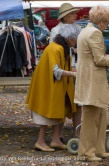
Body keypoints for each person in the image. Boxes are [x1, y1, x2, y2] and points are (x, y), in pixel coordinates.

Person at [25, 24, 80, 152]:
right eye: (75, 39)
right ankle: (40, 142)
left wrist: (76, 70)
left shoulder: (62, 48)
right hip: (46, 86)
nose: (76, 42)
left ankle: (55, 140)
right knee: (45, 113)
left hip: (54, 86)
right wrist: (73, 73)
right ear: (70, 38)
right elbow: (56, 71)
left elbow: (62, 68)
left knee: (57, 111)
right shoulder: (56, 49)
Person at [74, 5, 109, 162]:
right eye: (107, 22)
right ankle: (86, 152)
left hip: (88, 79)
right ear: (102, 21)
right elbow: (100, 59)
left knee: (100, 115)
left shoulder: (85, 31)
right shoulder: (95, 33)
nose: (107, 25)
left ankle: (98, 148)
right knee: (91, 118)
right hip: (92, 81)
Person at [49, 3, 82, 142]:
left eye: (75, 13)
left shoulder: (78, 28)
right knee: (62, 102)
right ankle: (59, 135)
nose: (76, 16)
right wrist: (74, 50)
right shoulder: (55, 31)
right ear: (65, 16)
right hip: (63, 71)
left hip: (75, 67)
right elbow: (54, 52)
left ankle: (77, 134)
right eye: (72, 14)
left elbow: (81, 48)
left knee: (78, 103)